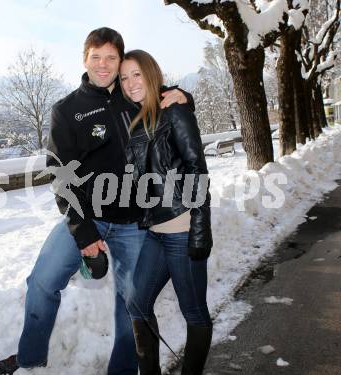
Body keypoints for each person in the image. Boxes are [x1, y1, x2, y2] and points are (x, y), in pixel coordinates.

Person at [0, 28, 193, 375]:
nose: (104, 65)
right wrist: (84, 234)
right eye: (96, 57)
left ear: (120, 61)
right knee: (42, 280)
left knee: (131, 304)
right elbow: (60, 177)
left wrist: (183, 95)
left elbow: (168, 97)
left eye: (111, 58)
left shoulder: (133, 95)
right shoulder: (66, 110)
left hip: (135, 222)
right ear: (84, 59)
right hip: (89, 218)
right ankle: (30, 360)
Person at [120, 50, 213, 375]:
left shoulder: (173, 109)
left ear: (150, 73)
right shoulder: (136, 119)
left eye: (136, 74)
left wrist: (201, 229)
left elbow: (195, 168)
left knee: (195, 312)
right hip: (155, 232)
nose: (131, 83)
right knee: (136, 303)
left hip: (183, 228)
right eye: (124, 77)